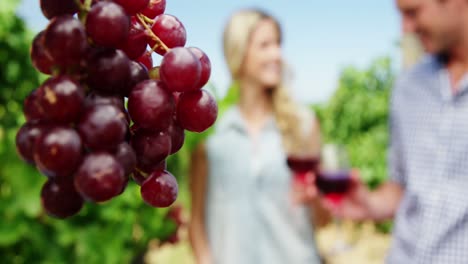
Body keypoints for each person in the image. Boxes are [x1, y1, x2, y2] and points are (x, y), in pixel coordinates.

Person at [321, 0, 468, 263]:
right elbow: (401, 185)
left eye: (413, 12)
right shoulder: (408, 86)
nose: (405, 29)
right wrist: (369, 204)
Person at [188, 8, 328, 264]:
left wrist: (317, 198)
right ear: (238, 52)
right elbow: (196, 223)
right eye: (265, 45)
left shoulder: (304, 124)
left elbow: (323, 220)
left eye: (278, 44)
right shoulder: (211, 138)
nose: (277, 54)